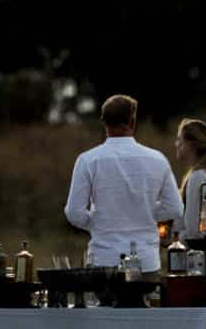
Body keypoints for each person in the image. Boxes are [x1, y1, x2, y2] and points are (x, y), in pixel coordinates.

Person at [64, 95, 183, 278]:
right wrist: (144, 212)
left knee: (103, 307)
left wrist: (100, 222)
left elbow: (74, 212)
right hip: (146, 262)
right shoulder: (157, 159)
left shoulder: (88, 160)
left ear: (104, 123)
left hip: (103, 259)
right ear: (133, 122)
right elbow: (175, 208)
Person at [172, 118, 206, 239]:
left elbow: (193, 233)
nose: (176, 144)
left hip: (195, 257)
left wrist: (173, 239)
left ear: (190, 144)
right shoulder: (205, 176)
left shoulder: (197, 178)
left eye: (179, 139)